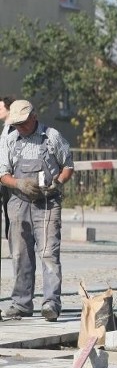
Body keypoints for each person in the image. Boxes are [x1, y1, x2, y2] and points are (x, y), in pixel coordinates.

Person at [0, 100, 74, 321]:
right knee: (20, 254)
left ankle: (51, 302)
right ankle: (21, 303)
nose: (20, 127)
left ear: (34, 116)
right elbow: (2, 174)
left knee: (48, 253)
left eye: (23, 123)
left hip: (47, 203)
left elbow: (68, 165)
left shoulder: (52, 137)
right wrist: (19, 184)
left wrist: (58, 182)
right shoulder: (9, 140)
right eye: (17, 124)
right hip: (18, 203)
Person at [0, 96, 14, 239]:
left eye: (0, 108)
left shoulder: (14, 129)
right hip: (3, 176)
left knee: (11, 212)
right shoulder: (6, 128)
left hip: (11, 177)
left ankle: (13, 242)